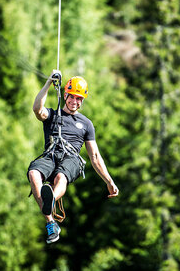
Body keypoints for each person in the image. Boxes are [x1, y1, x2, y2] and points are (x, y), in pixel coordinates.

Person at [27, 70, 119, 244]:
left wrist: (109, 181)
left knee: (61, 177)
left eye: (79, 99)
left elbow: (96, 156)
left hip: (71, 159)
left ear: (82, 101)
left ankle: (51, 198)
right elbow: (36, 109)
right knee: (33, 173)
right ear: (65, 94)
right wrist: (48, 82)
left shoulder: (86, 124)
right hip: (51, 154)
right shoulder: (52, 115)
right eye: (72, 97)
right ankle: (51, 223)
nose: (74, 102)